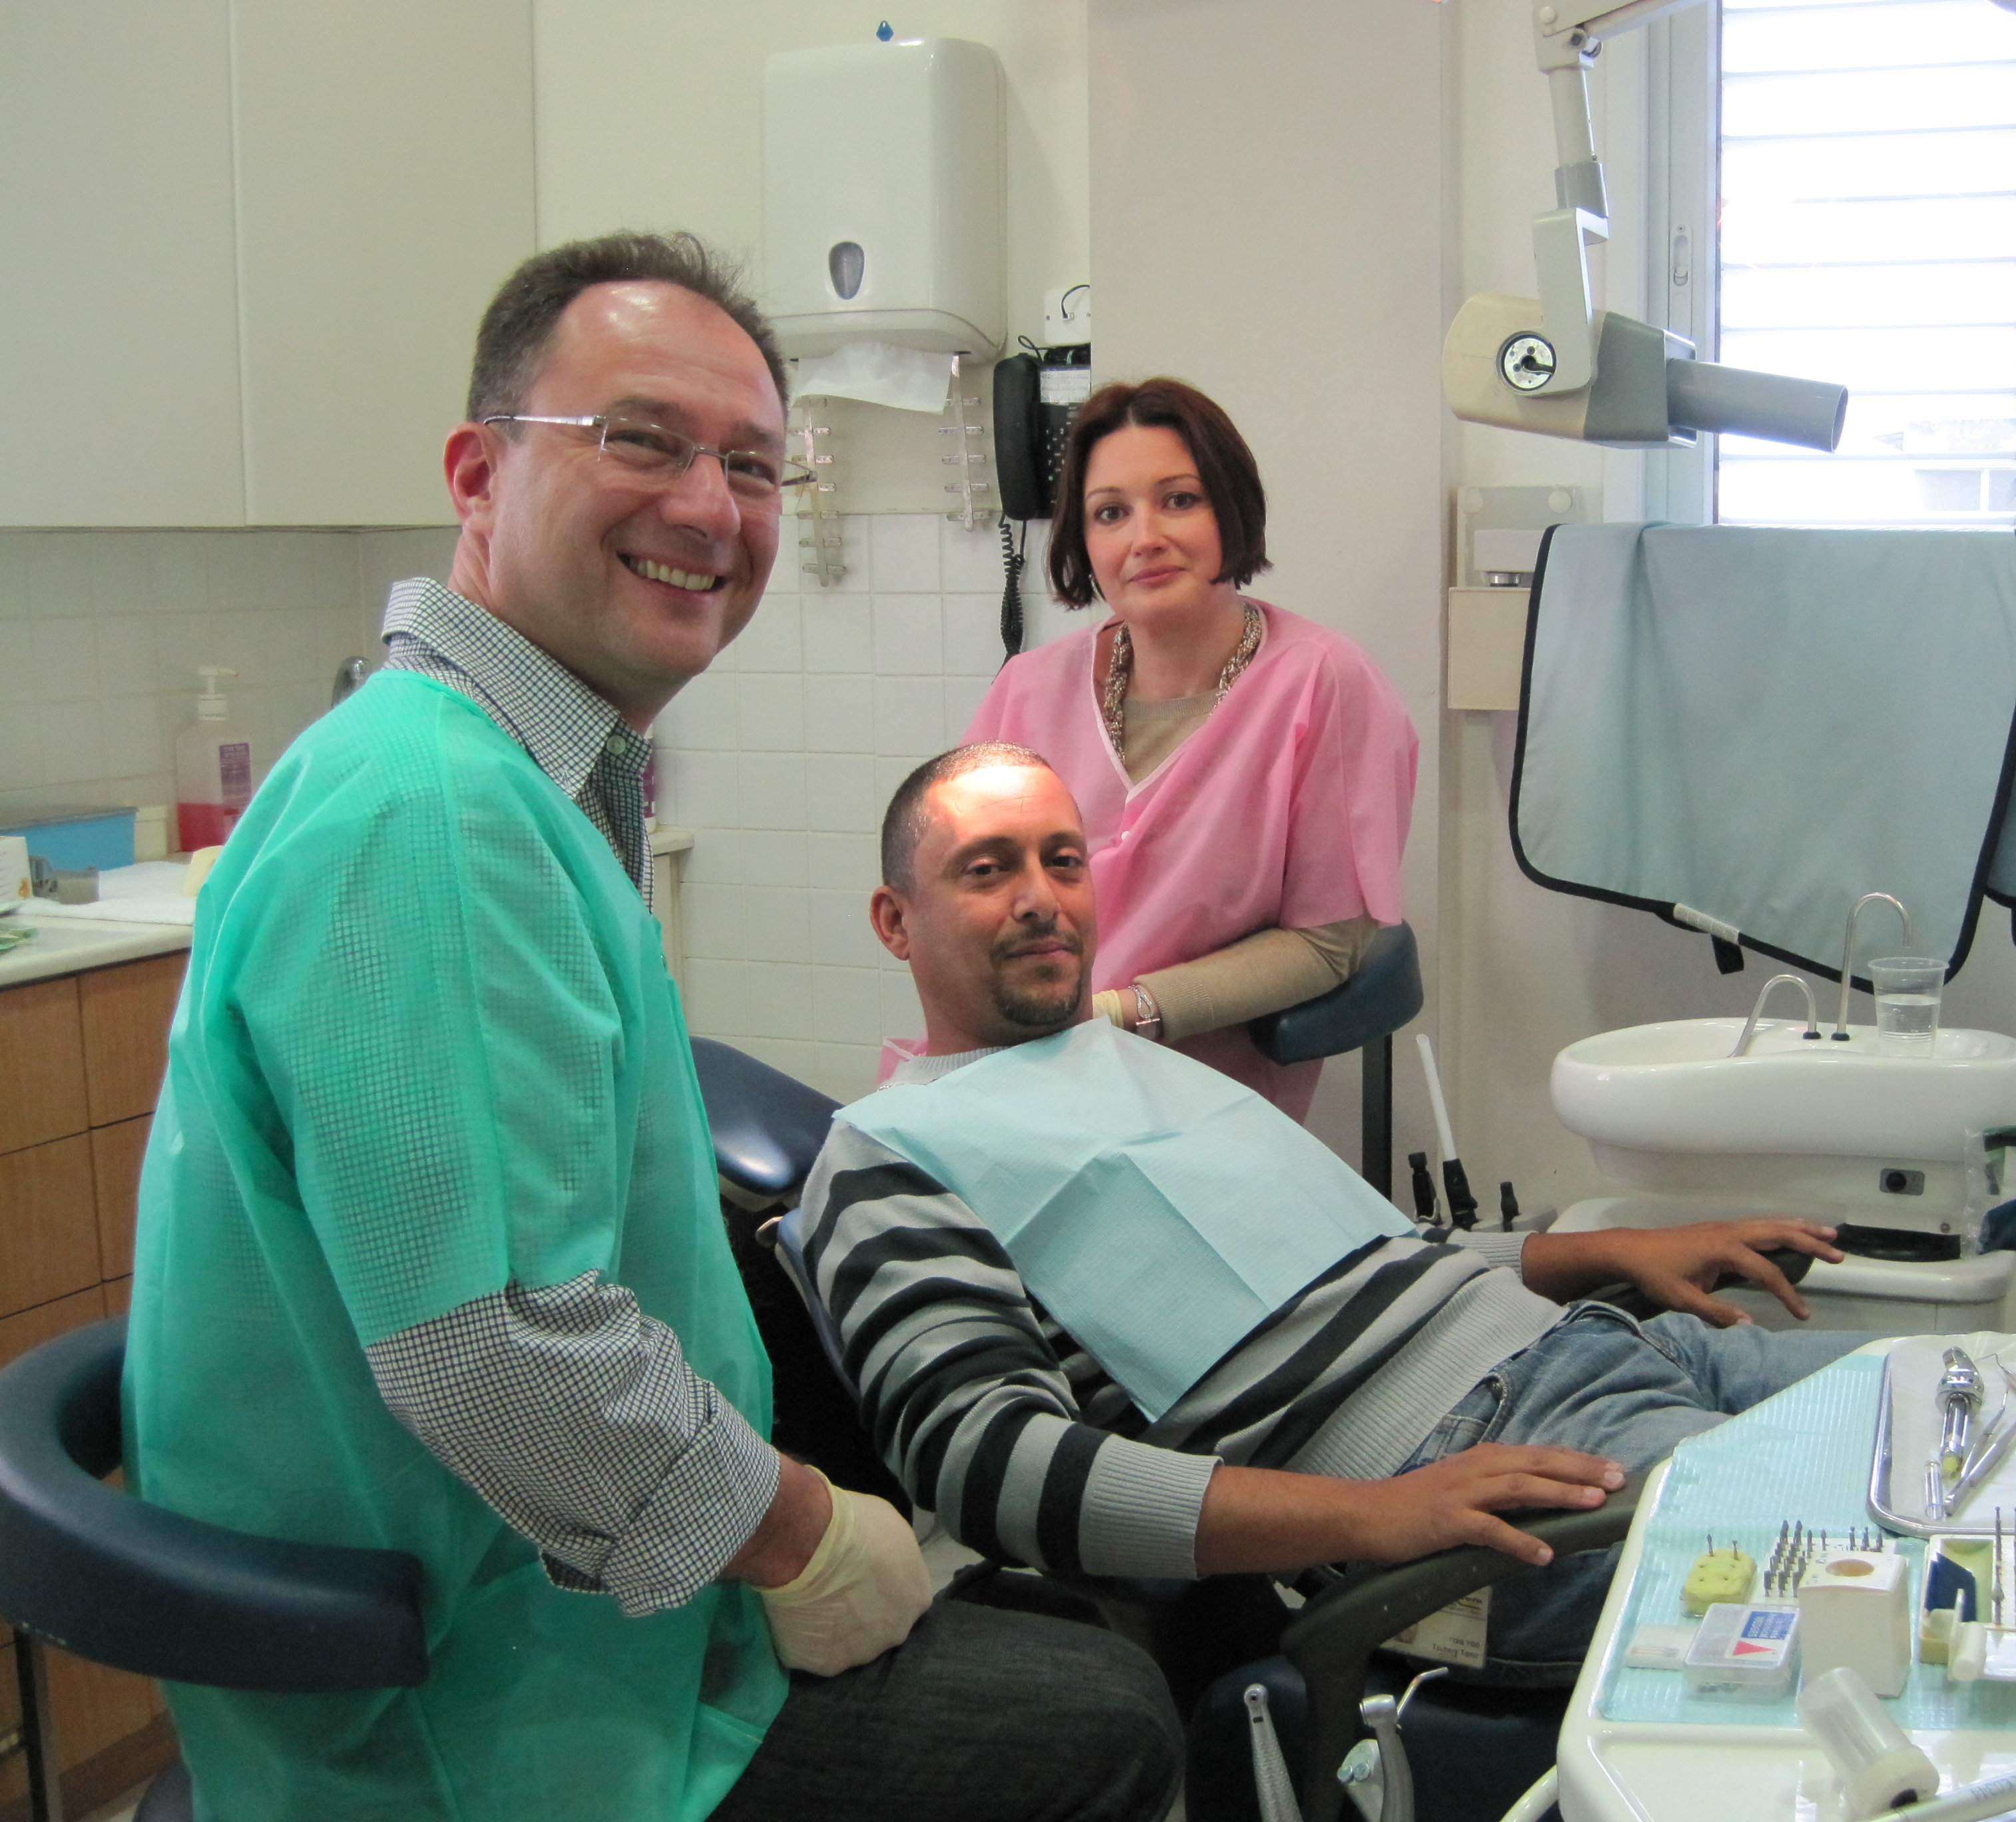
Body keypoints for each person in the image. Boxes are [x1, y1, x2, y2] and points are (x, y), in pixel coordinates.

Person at [125, 236, 1177, 1822]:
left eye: (752, 465)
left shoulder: (508, 778)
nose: (708, 506)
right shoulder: (430, 815)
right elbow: (491, 1346)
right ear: (478, 474)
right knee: (1101, 1714)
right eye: (641, 440)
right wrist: (803, 1534)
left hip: (554, 1602)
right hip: (477, 1711)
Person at [804, 745, 1858, 1681]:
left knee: (1942, 1404)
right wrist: (1377, 1516)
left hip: (1613, 1345)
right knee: (1895, 1565)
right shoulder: (888, 1154)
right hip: (1481, 1460)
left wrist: (1607, 1250)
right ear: (896, 920)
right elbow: (985, 1460)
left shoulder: (1126, 1059)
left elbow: (1365, 1254)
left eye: (1063, 861)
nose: (1041, 898)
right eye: (988, 870)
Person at [963, 378, 1415, 1120]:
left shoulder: (1322, 684)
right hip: (1019, 1067)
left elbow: (1329, 942)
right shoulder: (1027, 691)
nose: (1145, 538)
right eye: (1111, 513)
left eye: (1179, 500)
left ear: (1230, 509)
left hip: (1199, 1102)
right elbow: (963, 897)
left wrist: (1118, 1015)